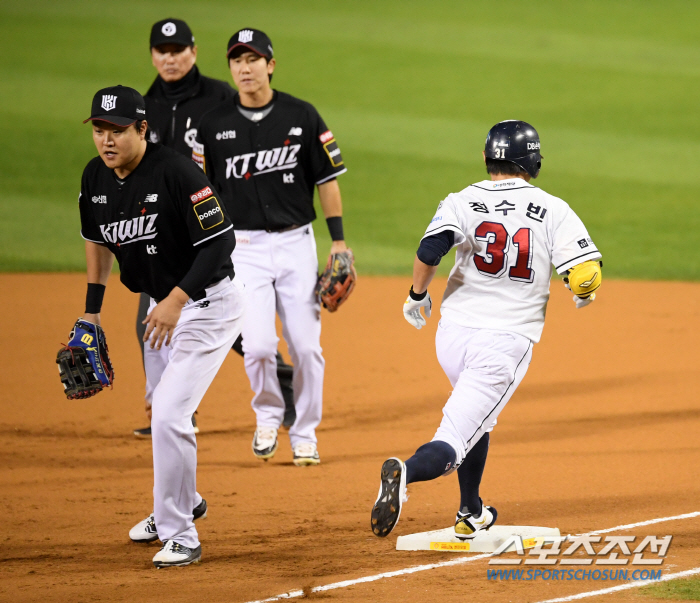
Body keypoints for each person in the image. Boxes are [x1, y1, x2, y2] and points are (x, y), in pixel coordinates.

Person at [370, 120, 603, 539]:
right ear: (532, 161)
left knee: (481, 419)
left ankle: (470, 510)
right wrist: (581, 289)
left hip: (452, 337)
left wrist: (417, 296)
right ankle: (405, 473)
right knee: (455, 436)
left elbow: (429, 250)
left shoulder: (462, 200)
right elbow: (585, 273)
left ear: (486, 158)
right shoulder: (553, 208)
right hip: (503, 345)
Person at [79, 85, 244, 567]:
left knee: (171, 414)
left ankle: (181, 532)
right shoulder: (95, 177)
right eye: (99, 130)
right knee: (162, 409)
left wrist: (176, 299)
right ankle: (179, 500)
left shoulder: (176, 171)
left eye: (117, 130)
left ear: (143, 129)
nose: (106, 140)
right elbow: (96, 242)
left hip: (207, 304)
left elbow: (220, 243)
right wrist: (91, 311)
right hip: (162, 310)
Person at [132, 18, 295, 438]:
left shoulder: (221, 98)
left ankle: (282, 385)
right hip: (162, 230)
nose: (169, 58)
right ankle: (166, 408)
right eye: (161, 51)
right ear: (152, 55)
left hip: (212, 224)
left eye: (177, 50)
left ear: (194, 52)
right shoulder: (143, 107)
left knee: (231, 315)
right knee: (150, 318)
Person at [194, 28, 349, 466]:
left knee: (306, 347)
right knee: (259, 345)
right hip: (243, 249)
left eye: (253, 60)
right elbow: (199, 193)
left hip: (297, 245)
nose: (245, 68)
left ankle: (305, 433)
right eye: (237, 61)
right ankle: (267, 415)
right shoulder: (212, 125)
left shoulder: (302, 115)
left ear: (271, 65)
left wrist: (338, 241)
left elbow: (327, 182)